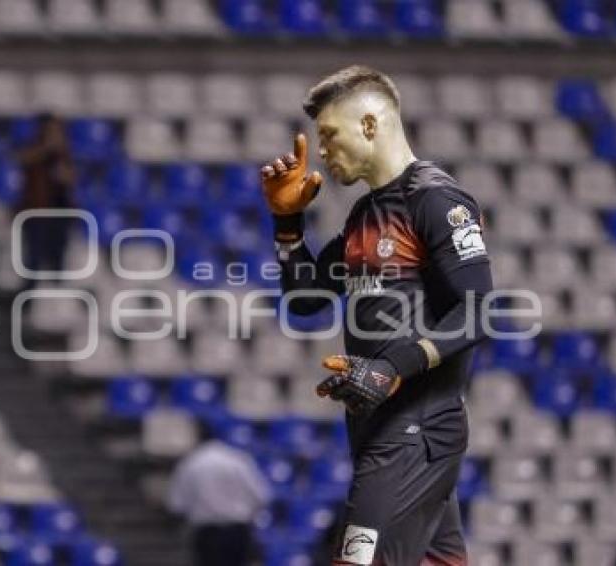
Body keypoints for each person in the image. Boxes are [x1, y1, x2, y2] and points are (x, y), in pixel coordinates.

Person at [260, 65, 493, 565]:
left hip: (416, 430)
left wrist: (392, 367)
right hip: (381, 432)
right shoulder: (365, 215)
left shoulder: (434, 199)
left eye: (329, 135)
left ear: (369, 124)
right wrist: (287, 225)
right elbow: (305, 301)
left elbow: (478, 310)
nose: (321, 152)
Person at [166, 438, 272, 566]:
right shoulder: (237, 460)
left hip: (207, 533)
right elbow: (261, 496)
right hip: (237, 531)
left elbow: (177, 504)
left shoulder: (191, 463)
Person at [15, 113, 76, 280]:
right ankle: (28, 299)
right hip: (37, 212)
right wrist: (46, 149)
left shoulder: (66, 153)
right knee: (33, 260)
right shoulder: (33, 147)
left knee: (58, 259)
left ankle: (55, 297)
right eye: (51, 130)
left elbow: (71, 178)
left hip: (60, 214)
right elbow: (22, 159)